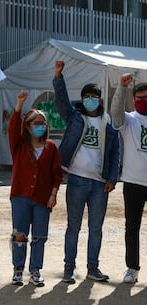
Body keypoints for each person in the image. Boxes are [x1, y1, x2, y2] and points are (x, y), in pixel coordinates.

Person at [53, 60, 120, 284]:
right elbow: (62, 103)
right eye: (87, 96)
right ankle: (69, 268)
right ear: (82, 99)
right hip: (77, 181)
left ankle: (93, 267)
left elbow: (114, 152)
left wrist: (112, 178)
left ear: (100, 99)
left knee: (96, 229)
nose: (90, 99)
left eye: (94, 96)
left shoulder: (107, 121)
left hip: (100, 184)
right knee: (73, 227)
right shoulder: (74, 118)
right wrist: (59, 77)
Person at [8, 91, 63, 287]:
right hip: (21, 196)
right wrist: (19, 105)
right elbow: (13, 128)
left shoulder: (51, 147)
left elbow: (57, 174)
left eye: (43, 123)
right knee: (20, 234)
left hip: (42, 198)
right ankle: (18, 269)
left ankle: (35, 270)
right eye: (36, 123)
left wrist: (53, 195)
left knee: (40, 235)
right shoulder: (19, 145)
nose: (40, 126)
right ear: (28, 126)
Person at [110, 73, 147, 283]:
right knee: (131, 228)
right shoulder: (130, 120)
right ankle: (132, 268)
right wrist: (121, 87)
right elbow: (116, 114)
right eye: (140, 98)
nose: (143, 101)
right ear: (134, 100)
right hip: (133, 182)